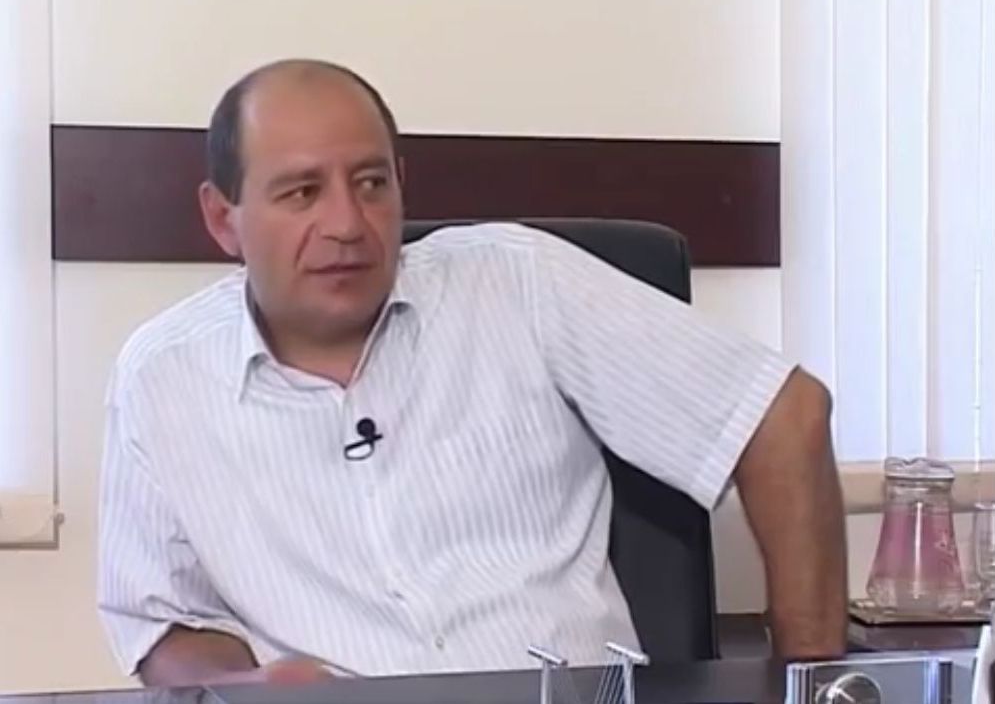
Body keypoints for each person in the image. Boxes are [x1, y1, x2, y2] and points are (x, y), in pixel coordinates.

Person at [98, 59, 847, 688]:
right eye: (302, 192)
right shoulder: (162, 376)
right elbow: (162, 623)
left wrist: (811, 688)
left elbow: (784, 416)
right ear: (222, 218)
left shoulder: (515, 282)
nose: (348, 224)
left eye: (371, 183)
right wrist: (248, 688)